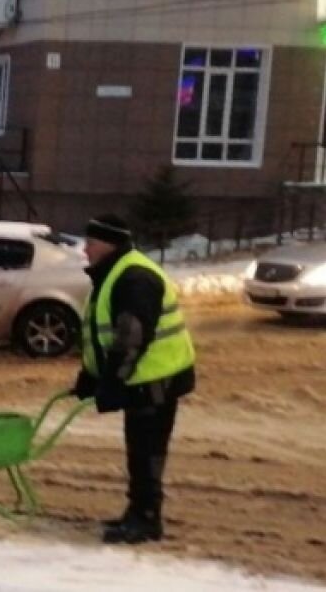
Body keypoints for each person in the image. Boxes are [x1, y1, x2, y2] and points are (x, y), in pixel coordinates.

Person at [72, 214, 196, 545]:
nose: (85, 250)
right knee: (139, 448)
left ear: (109, 244)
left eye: (91, 243)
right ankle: (139, 512)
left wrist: (112, 383)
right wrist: (90, 376)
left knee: (147, 450)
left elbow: (131, 337)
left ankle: (146, 519)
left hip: (155, 378)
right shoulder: (115, 273)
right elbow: (105, 335)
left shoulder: (134, 278)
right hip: (141, 378)